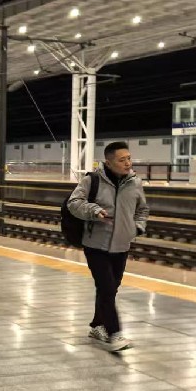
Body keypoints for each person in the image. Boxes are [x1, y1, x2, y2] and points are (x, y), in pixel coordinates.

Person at [68, 141, 149, 353]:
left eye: (129, 158)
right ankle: (115, 334)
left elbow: (142, 210)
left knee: (110, 289)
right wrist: (94, 211)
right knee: (106, 288)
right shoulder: (92, 180)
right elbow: (74, 203)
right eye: (122, 160)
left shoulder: (135, 183)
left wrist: (137, 228)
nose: (128, 163)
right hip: (96, 245)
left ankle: (97, 326)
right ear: (109, 162)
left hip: (122, 245)